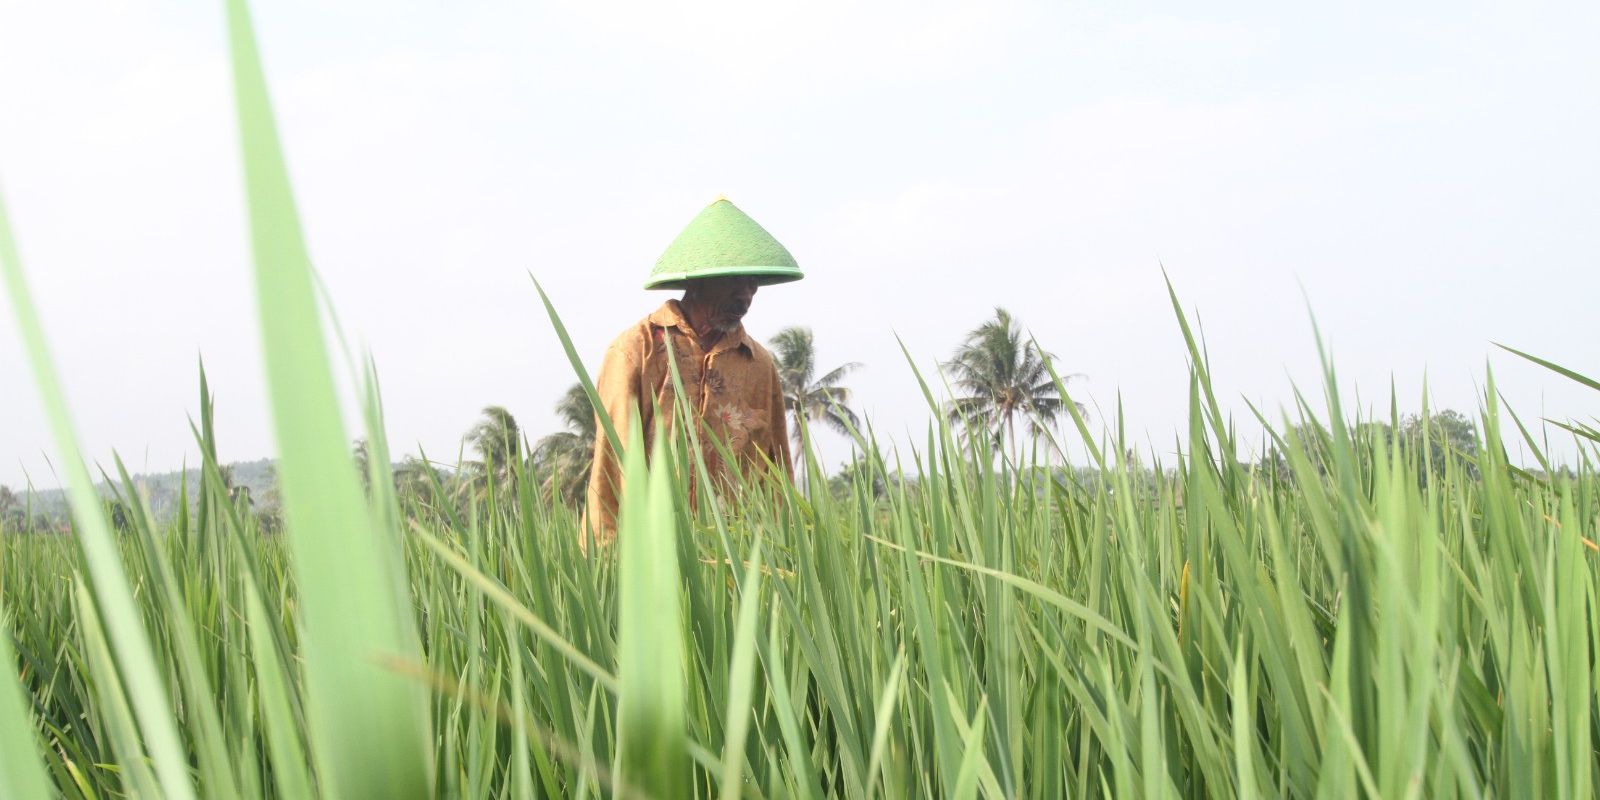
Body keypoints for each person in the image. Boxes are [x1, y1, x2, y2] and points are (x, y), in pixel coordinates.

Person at [582, 197, 799, 548]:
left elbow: (775, 468)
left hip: (733, 553)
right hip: (653, 549)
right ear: (699, 281)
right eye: (734, 281)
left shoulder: (758, 364)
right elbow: (612, 460)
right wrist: (609, 552)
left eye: (753, 282)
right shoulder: (637, 350)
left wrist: (784, 549)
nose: (745, 294)